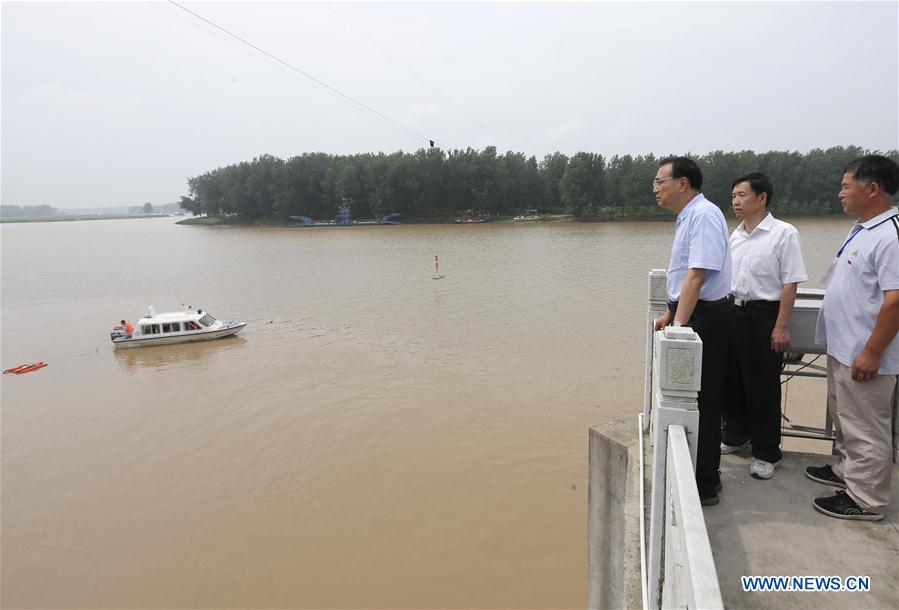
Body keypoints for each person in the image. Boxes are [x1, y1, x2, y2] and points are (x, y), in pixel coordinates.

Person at [807, 155, 899, 521]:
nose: (840, 193)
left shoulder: (890, 236)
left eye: (846, 186)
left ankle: (867, 501)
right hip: (845, 348)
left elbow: (895, 300)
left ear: (872, 188)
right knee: (846, 419)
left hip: (865, 353)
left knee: (867, 428)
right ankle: (847, 472)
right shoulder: (864, 228)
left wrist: (873, 352)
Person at [652, 157, 733, 506]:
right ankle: (698, 474)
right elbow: (686, 275)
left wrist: (679, 328)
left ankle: (704, 483)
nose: (655, 188)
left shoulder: (702, 215)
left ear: (682, 183)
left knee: (704, 399)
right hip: (696, 312)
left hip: (708, 317)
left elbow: (698, 275)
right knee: (695, 397)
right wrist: (671, 310)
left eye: (660, 181)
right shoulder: (690, 216)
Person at [720, 173, 808, 480]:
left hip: (764, 314)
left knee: (762, 386)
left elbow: (790, 283)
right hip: (734, 311)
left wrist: (781, 326)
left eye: (742, 195)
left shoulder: (784, 233)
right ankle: (735, 437)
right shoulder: (736, 234)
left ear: (762, 198)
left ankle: (766, 452)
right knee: (731, 381)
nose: (736, 202)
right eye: (733, 196)